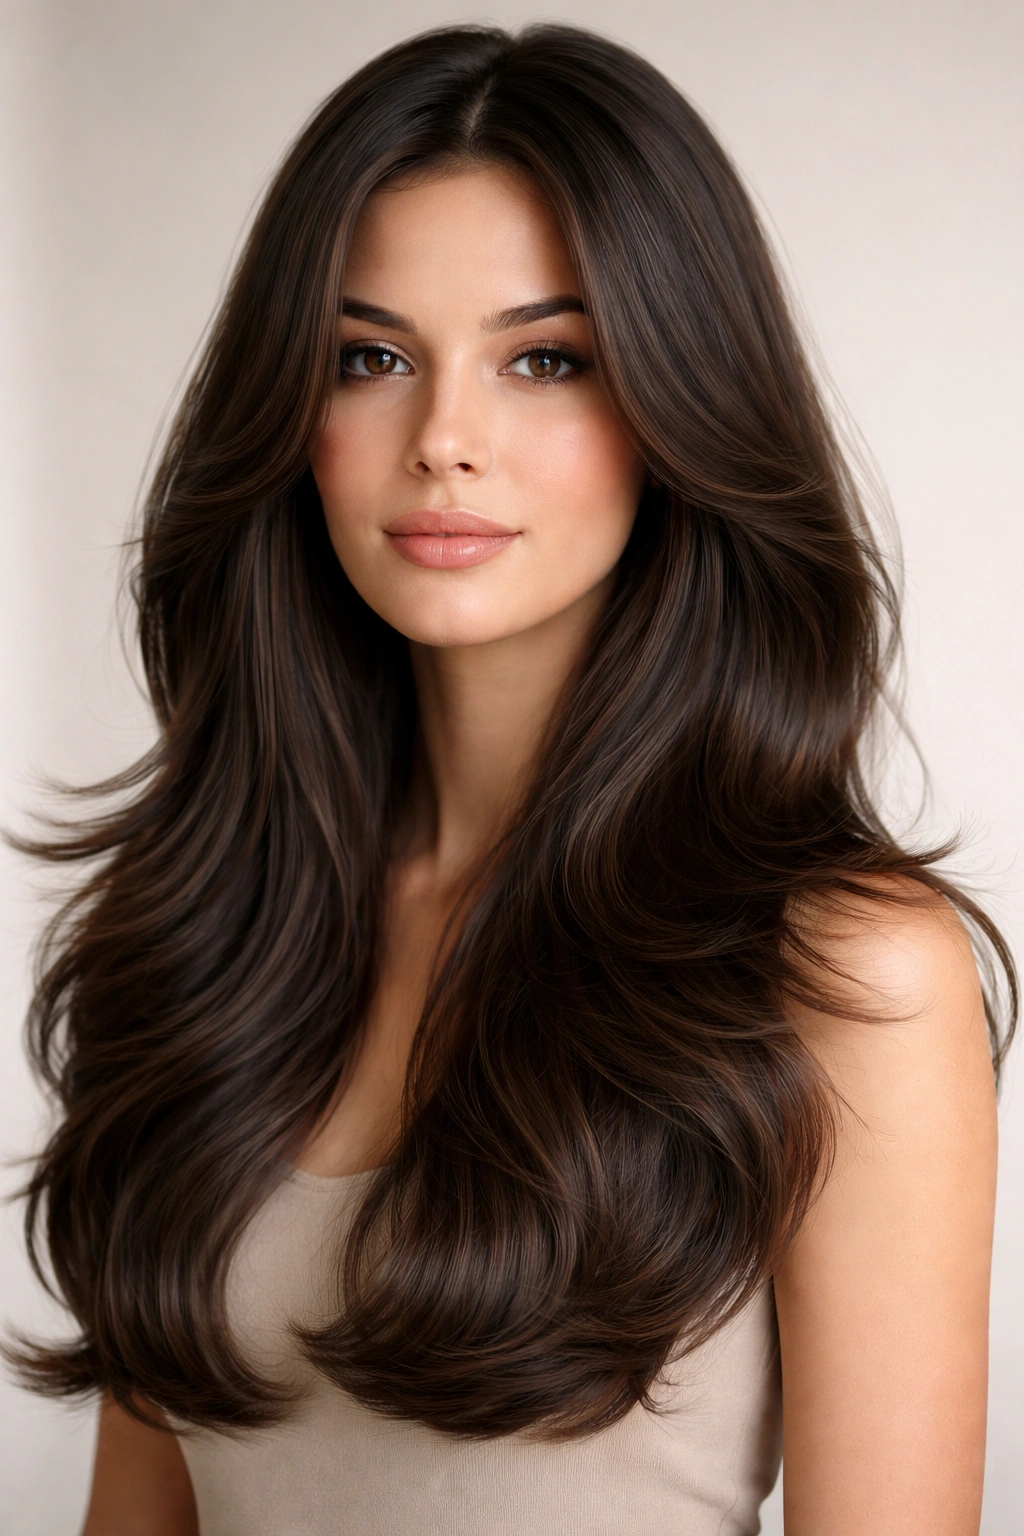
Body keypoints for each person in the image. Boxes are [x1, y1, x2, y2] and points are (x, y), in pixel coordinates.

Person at [9, 23, 1014, 1536]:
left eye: (546, 360)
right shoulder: (209, 934)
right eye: (372, 359)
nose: (445, 442)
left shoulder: (843, 976)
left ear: (679, 408)